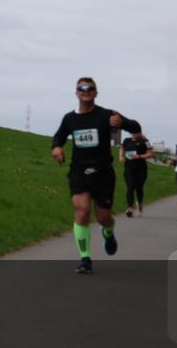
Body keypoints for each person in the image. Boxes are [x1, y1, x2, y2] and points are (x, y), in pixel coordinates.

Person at [51, 78, 142, 274]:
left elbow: (136, 128)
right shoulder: (69, 118)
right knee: (82, 211)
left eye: (90, 88)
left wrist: (122, 122)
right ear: (76, 93)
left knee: (104, 217)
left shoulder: (106, 115)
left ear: (95, 92)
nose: (85, 91)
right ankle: (85, 259)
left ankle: (108, 233)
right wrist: (57, 147)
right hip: (79, 172)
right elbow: (58, 135)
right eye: (81, 88)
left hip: (103, 174)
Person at [119, 132, 153, 217]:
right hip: (129, 168)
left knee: (139, 188)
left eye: (135, 132)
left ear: (139, 132)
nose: (133, 133)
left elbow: (151, 154)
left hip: (141, 169)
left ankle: (140, 204)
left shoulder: (145, 141)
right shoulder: (126, 140)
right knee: (130, 187)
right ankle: (130, 208)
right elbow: (122, 148)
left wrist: (139, 156)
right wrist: (121, 156)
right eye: (132, 132)